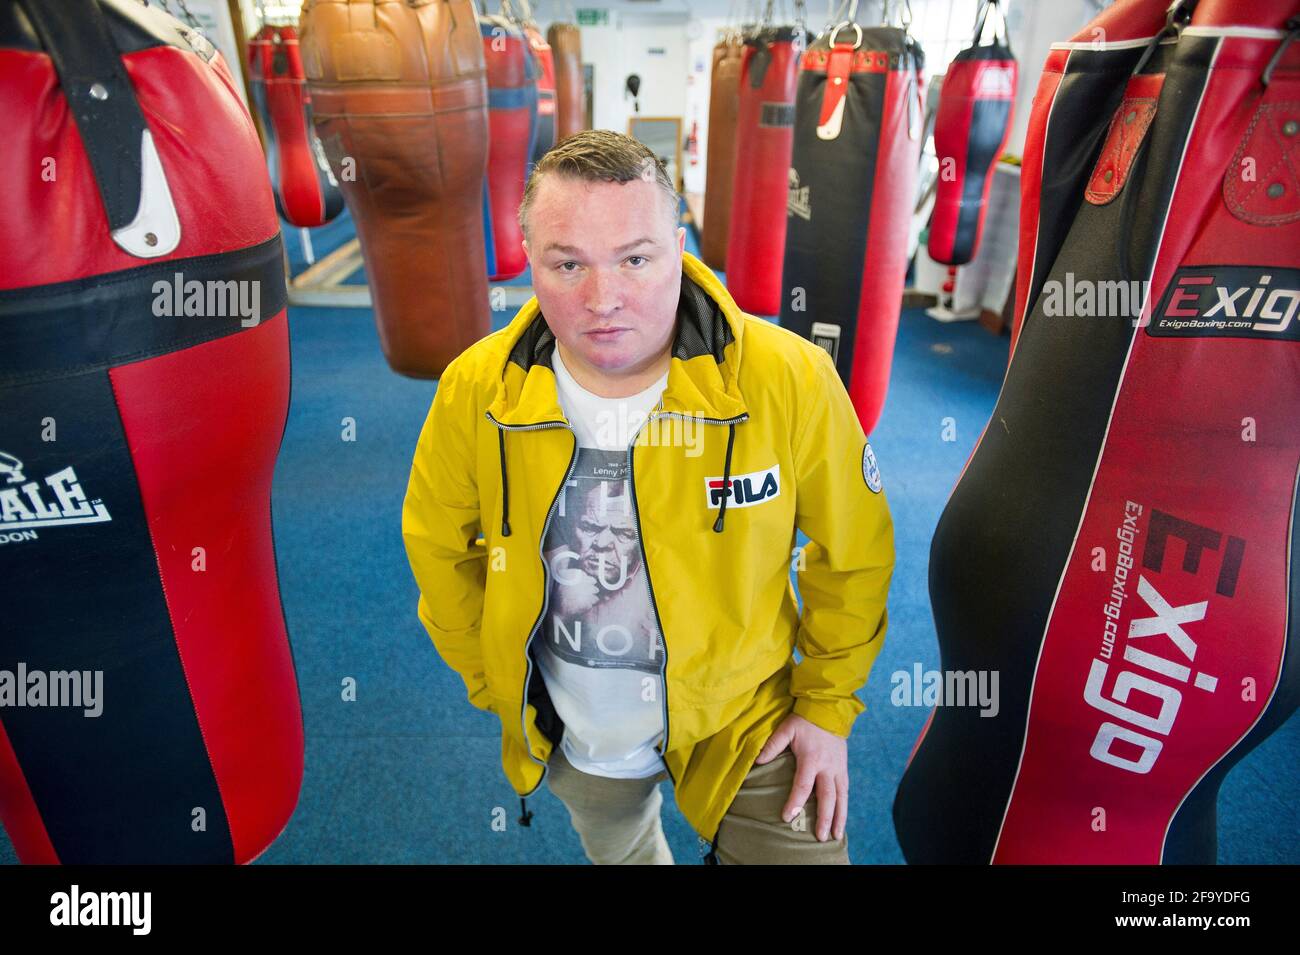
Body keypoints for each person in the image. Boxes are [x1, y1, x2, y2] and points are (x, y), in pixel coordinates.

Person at [401, 129, 895, 864]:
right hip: (572, 723)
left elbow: (853, 552)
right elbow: (440, 550)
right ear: (528, 259)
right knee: (625, 851)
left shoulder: (787, 378)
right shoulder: (478, 389)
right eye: (568, 264)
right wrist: (495, 681)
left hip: (745, 717)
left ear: (679, 245)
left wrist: (826, 705)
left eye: (635, 258)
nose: (604, 299)